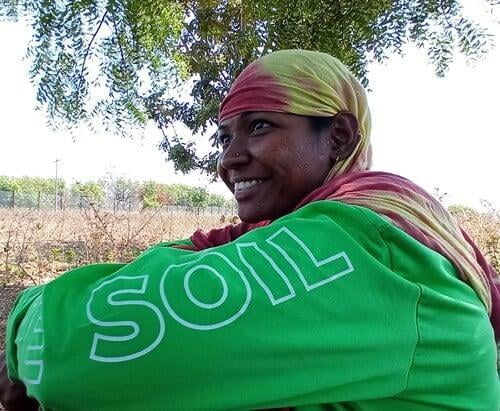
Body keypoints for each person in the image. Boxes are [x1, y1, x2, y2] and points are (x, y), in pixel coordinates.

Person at [1, 49, 499, 410]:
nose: (230, 158)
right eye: (224, 137)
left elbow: (81, 357)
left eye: (260, 126)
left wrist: (24, 324)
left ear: (338, 136)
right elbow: (191, 259)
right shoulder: (306, 231)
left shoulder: (374, 245)